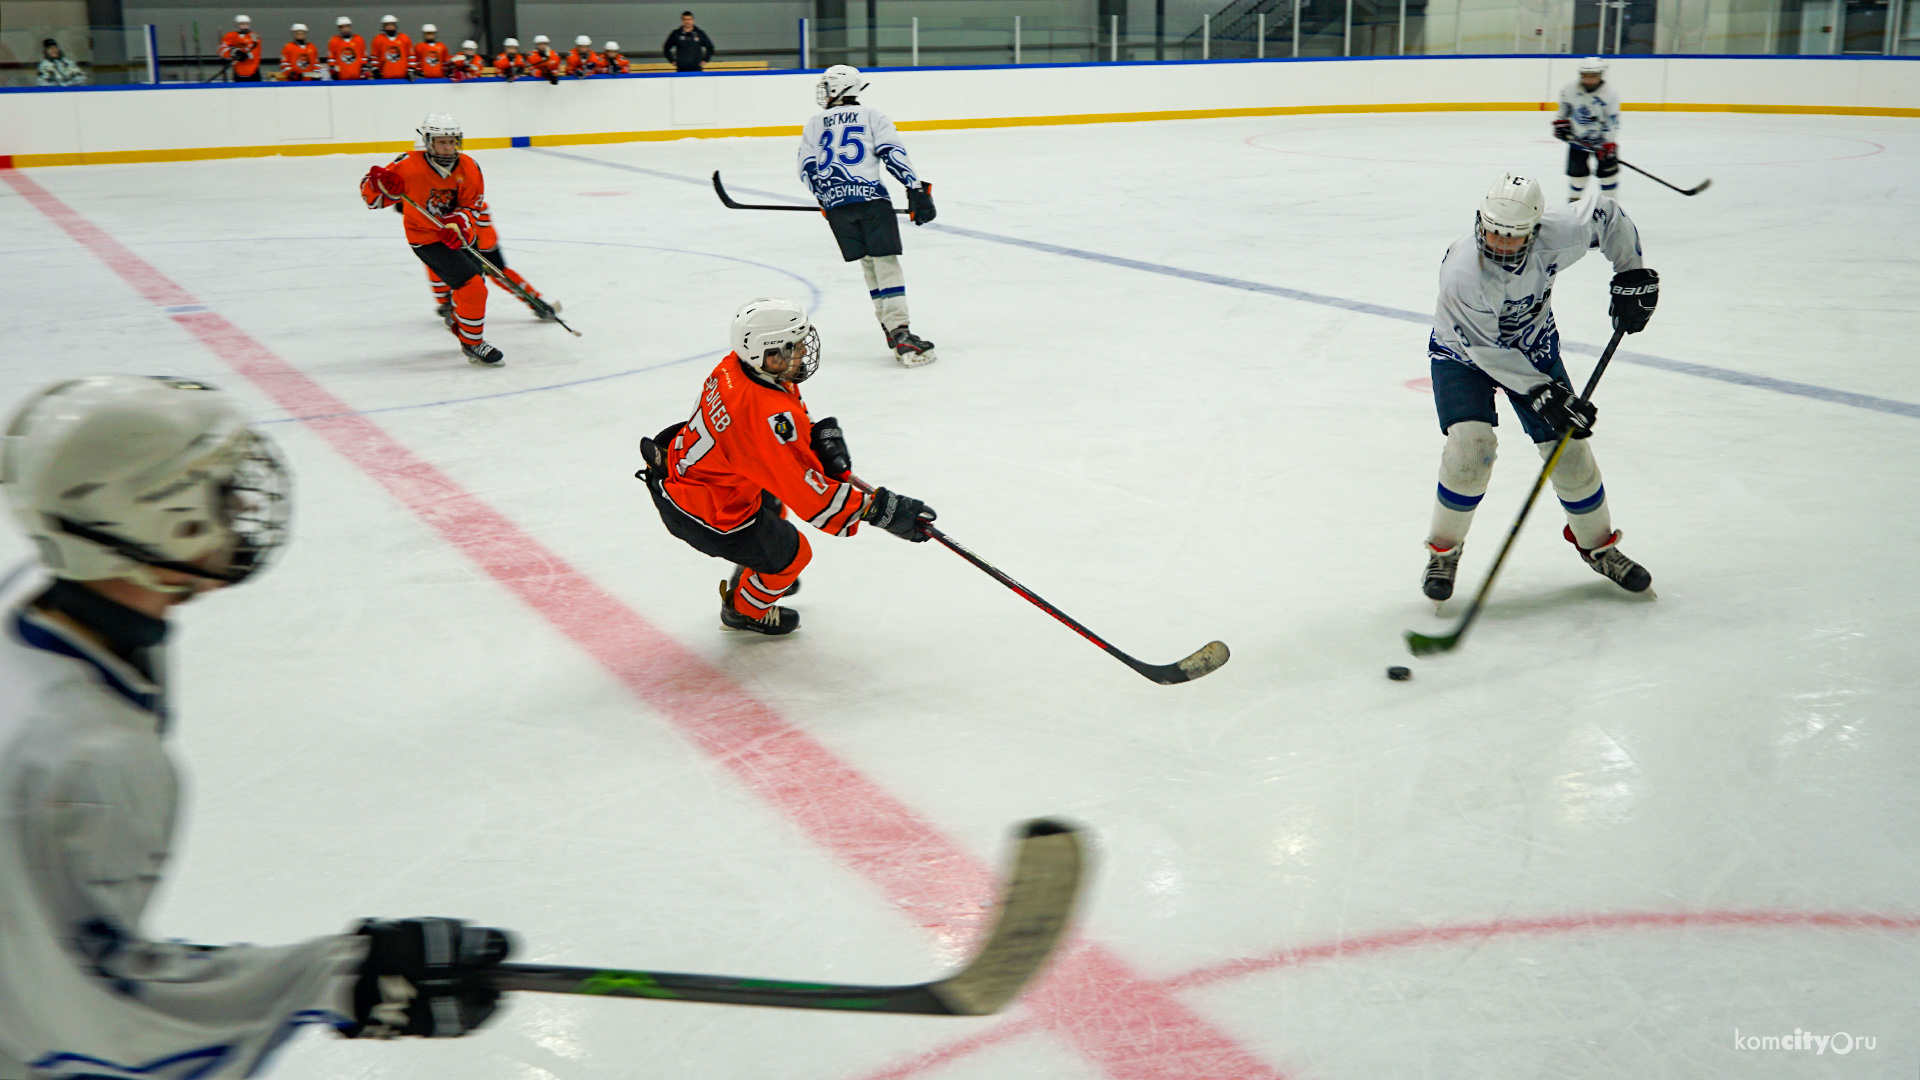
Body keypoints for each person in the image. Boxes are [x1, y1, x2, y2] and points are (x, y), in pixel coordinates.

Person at [0, 374, 515, 1079]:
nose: (243, 503)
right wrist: (338, 979)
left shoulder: (34, 603)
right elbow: (78, 1020)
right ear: (162, 520)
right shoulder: (86, 760)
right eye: (218, 488)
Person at [1420, 172, 1660, 602]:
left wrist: (1632, 270)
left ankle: (1599, 547)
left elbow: (1606, 213)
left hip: (1533, 348)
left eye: (1513, 237)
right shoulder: (1463, 272)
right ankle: (1444, 551)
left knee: (1570, 455)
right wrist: (1544, 392)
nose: (1500, 244)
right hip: (1464, 355)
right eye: (1493, 232)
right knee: (1469, 452)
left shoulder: (1560, 233)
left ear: (1534, 231)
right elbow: (1484, 349)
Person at [640, 299, 938, 635]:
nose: (801, 353)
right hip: (706, 513)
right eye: (793, 347)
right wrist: (882, 509)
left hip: (696, 480)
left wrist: (809, 437)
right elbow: (815, 500)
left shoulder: (737, 368)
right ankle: (744, 610)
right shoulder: (763, 415)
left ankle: (760, 573)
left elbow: (779, 413)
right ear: (769, 354)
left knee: (773, 505)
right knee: (793, 554)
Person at [798, 65, 939, 367]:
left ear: (839, 88)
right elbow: (892, 152)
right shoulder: (873, 116)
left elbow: (806, 169)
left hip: (838, 207)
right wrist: (915, 189)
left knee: (869, 267)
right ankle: (900, 331)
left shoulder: (814, 123)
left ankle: (890, 329)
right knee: (886, 263)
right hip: (871, 201)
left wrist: (826, 199)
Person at [359, 115, 513, 367]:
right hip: (426, 238)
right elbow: (371, 200)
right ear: (428, 142)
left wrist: (458, 223)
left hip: (461, 236)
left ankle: (458, 318)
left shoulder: (469, 166)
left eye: (452, 141)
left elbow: (472, 205)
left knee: (473, 286)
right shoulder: (408, 165)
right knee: (474, 286)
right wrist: (379, 186)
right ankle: (473, 343)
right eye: (441, 142)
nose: (448, 147)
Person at [1553, 58, 1622, 201]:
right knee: (1577, 177)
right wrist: (1561, 124)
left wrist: (1608, 144)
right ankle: (1573, 204)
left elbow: (1613, 120)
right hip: (1577, 140)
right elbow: (1563, 110)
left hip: (1603, 143)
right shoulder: (1570, 89)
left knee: (1608, 177)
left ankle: (1610, 207)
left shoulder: (1610, 94)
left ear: (1601, 75)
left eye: (1593, 76)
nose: (1589, 80)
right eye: (1586, 76)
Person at [218, 15, 263, 81]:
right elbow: (221, 50)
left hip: (253, 72)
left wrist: (244, 54)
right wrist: (232, 52)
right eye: (242, 24)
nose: (244, 26)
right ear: (237, 25)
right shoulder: (231, 36)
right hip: (238, 72)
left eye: (246, 24)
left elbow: (255, 51)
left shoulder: (254, 36)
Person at [370, 15, 411, 79]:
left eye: (392, 24)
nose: (390, 27)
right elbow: (374, 57)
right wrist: (375, 70)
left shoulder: (404, 38)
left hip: (403, 77)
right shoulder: (378, 39)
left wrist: (411, 70)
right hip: (385, 77)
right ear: (384, 26)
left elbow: (411, 56)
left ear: (395, 25)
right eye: (387, 25)